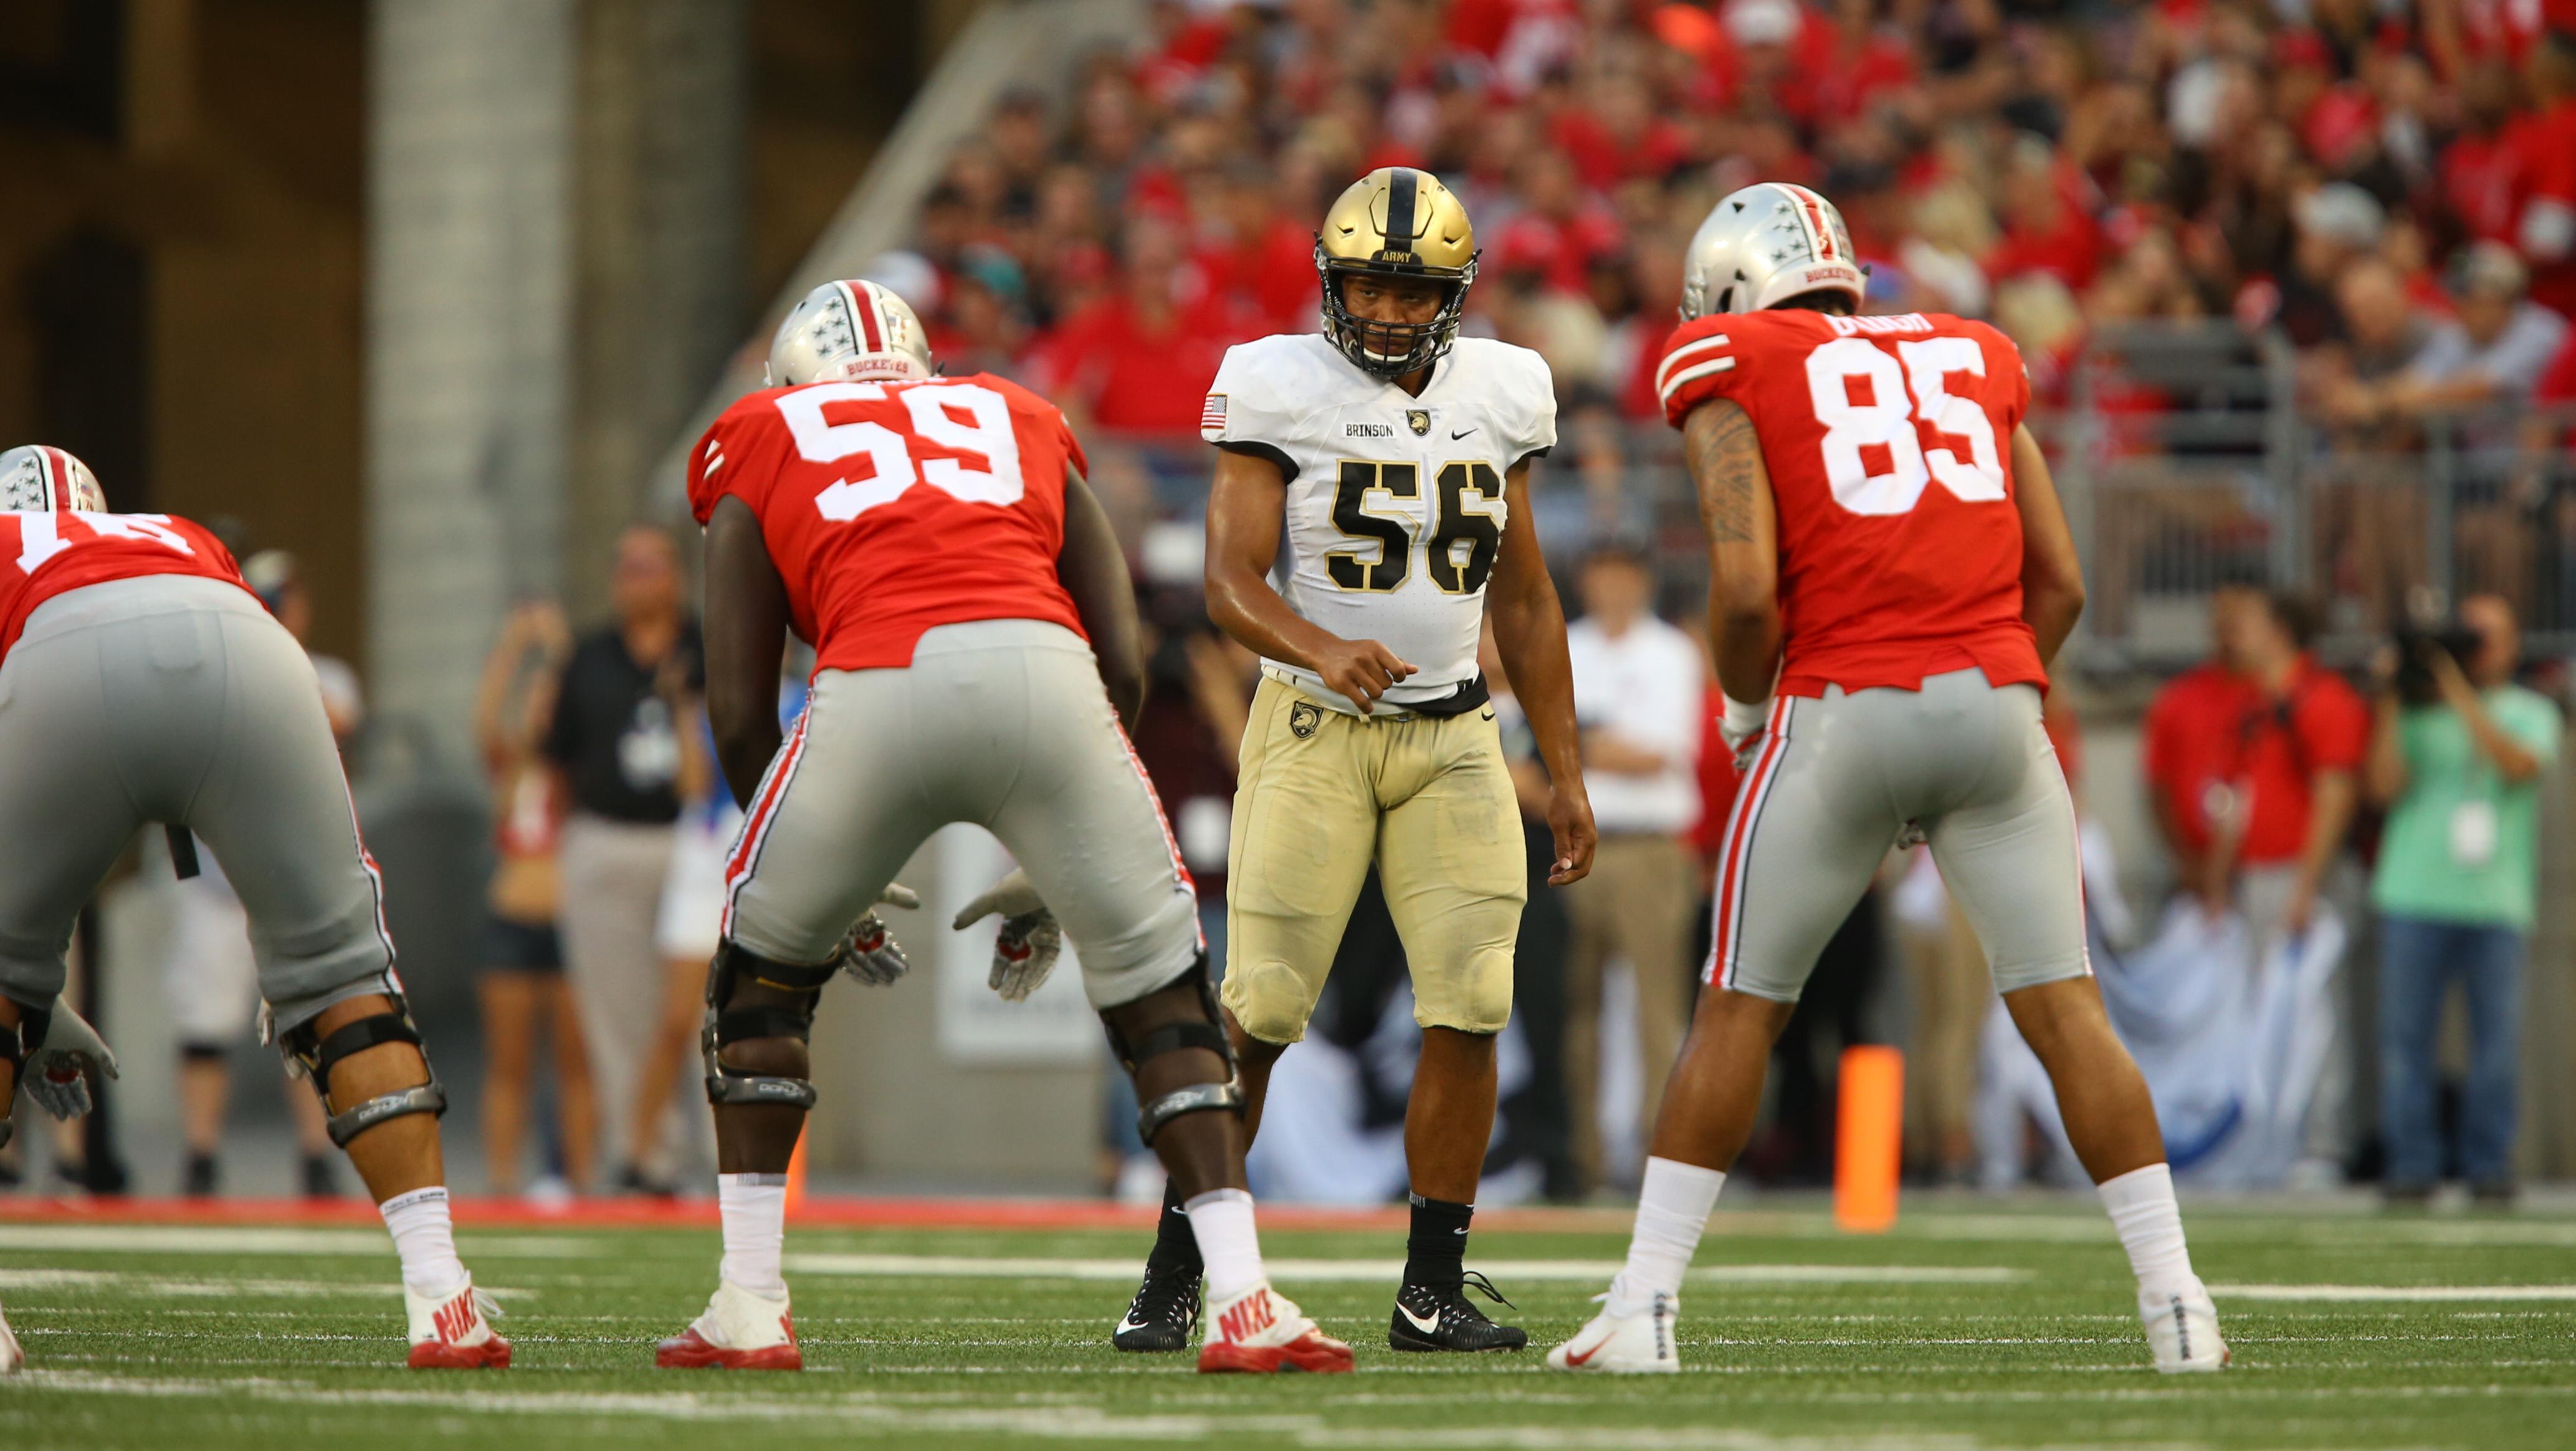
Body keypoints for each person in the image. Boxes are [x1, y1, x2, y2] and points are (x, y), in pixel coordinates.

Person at [1548, 184, 2223, 1375]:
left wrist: (1751, 715)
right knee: (2068, 1013)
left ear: (1728, 291)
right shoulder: (1972, 347)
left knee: (1734, 1009)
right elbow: (2055, 581)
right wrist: (1986, 702)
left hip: (1840, 706)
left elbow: (1748, 589)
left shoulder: (1726, 359)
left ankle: (1641, 1306)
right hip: (1998, 705)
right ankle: (2178, 1303)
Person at [662, 279, 1347, 1375]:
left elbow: (742, 708)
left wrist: (814, 886)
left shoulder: (759, 430)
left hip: (875, 682)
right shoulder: (1016, 410)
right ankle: (1244, 1295)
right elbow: (1118, 655)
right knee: (1162, 999)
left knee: (759, 985)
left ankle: (750, 1298)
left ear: (792, 378)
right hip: (1051, 685)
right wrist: (1057, 852)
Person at [1120, 167, 1595, 1358]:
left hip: (1453, 734)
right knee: (1262, 1007)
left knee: (1473, 1001)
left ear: (1452, 291)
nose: (1386, 310)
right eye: (1368, 285)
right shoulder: (1278, 379)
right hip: (1312, 724)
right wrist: (1321, 644)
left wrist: (1569, 766)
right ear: (1330, 283)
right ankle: (1182, 1267)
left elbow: (1526, 597)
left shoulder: (1505, 385)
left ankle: (1430, 1282)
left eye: (1410, 287)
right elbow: (1227, 579)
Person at [0, 445, 505, 1368]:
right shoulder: (175, 535)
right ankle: (442, 1294)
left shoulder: (12, 550)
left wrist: (27, 998)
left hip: (57, 652)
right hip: (241, 640)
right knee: (345, 976)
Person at [159, 551, 359, 1198]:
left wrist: (265, 649)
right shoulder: (208, 671)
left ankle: (316, 1156)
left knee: (305, 1023)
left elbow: (327, 721)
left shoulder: (320, 673)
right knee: (206, 1025)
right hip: (219, 881)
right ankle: (200, 1155)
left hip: (291, 879)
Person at [2365, 596, 2562, 1204]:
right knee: (2406, 1046)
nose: (2475, 648)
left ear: (2513, 645)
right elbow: (2381, 786)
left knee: (2496, 1047)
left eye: (2487, 637)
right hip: (2413, 894)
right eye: (2466, 636)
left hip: (2494, 902)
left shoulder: (2531, 709)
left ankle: (2486, 1163)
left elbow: (2515, 766)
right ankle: (2413, 1163)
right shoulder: (2418, 709)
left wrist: (2456, 689)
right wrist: (2395, 692)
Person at [543, 524, 703, 1189]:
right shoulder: (588, 656)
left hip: (696, 839)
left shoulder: (706, 644)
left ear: (676, 575)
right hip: (607, 838)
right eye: (628, 567)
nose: (641, 579)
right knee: (618, 1010)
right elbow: (556, 758)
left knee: (699, 1010)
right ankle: (645, 1158)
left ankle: (728, 1160)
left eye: (653, 566)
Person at [1558, 542, 1705, 1195]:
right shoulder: (1566, 643)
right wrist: (1599, 743)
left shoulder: (1671, 652)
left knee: (1659, 1006)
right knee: (1575, 1009)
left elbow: (1661, 755)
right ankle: (1582, 1158)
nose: (1611, 591)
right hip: (1576, 838)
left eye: (1621, 579)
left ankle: (1658, 1157)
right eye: (1601, 578)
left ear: (1642, 583)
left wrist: (1583, 742)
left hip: (1649, 845)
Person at [471, 599, 596, 1201]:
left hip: (572, 918)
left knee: (575, 1064)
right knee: (509, 1063)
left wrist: (562, 648)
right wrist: (515, 648)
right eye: (536, 699)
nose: (543, 708)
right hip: (514, 919)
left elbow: (594, 705)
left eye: (553, 699)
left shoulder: (580, 768)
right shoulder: (512, 770)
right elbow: (486, 719)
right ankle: (500, 1181)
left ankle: (580, 1180)